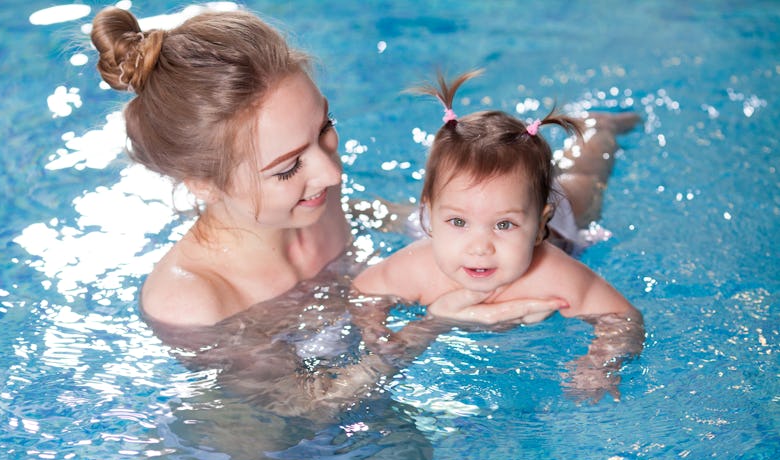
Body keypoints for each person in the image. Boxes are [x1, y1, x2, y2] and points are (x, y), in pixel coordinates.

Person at [90, 6, 561, 329]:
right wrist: (434, 324)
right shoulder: (193, 302)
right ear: (202, 184)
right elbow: (294, 418)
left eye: (325, 128)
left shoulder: (312, 197)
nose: (331, 173)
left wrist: (475, 227)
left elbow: (364, 211)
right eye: (287, 167)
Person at [353, 70, 644, 399]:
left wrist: (600, 364)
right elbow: (363, 292)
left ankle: (597, 127)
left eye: (504, 225)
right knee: (423, 215)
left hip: (559, 215)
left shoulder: (553, 271)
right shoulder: (417, 266)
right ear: (430, 218)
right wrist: (371, 327)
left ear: (536, 229)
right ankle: (384, 210)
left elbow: (622, 317)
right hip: (452, 211)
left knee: (583, 180)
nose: (480, 248)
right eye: (458, 223)